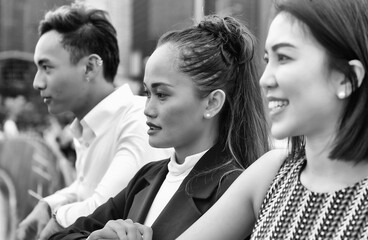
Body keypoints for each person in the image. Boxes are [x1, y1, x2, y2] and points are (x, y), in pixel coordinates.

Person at [48, 14, 270, 240]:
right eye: (147, 93)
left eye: (162, 94)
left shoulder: (234, 190)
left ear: (212, 102)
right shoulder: (148, 177)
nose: (148, 108)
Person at [175, 0, 368, 239]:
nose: (265, 80)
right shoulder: (272, 172)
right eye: (268, 60)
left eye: (284, 57)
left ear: (346, 78)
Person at [15, 3, 170, 240]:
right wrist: (47, 205)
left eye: (46, 67)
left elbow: (104, 207)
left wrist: (57, 217)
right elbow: (83, 190)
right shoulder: (87, 127)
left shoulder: (138, 120)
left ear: (89, 67)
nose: (37, 82)